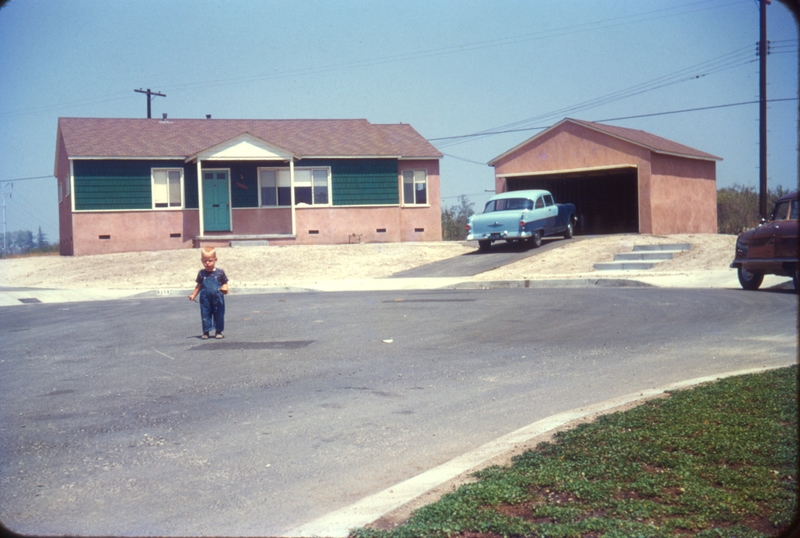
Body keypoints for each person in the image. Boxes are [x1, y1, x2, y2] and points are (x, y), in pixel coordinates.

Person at [188, 247, 229, 339]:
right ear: (201, 260)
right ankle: (206, 332)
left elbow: (225, 283)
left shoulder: (220, 272)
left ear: (215, 259)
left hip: (218, 298)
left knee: (219, 314)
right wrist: (193, 294)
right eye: (205, 261)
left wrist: (225, 289)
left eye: (210, 261)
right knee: (205, 314)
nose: (207, 263)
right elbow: (198, 285)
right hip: (205, 298)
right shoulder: (201, 273)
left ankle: (218, 331)